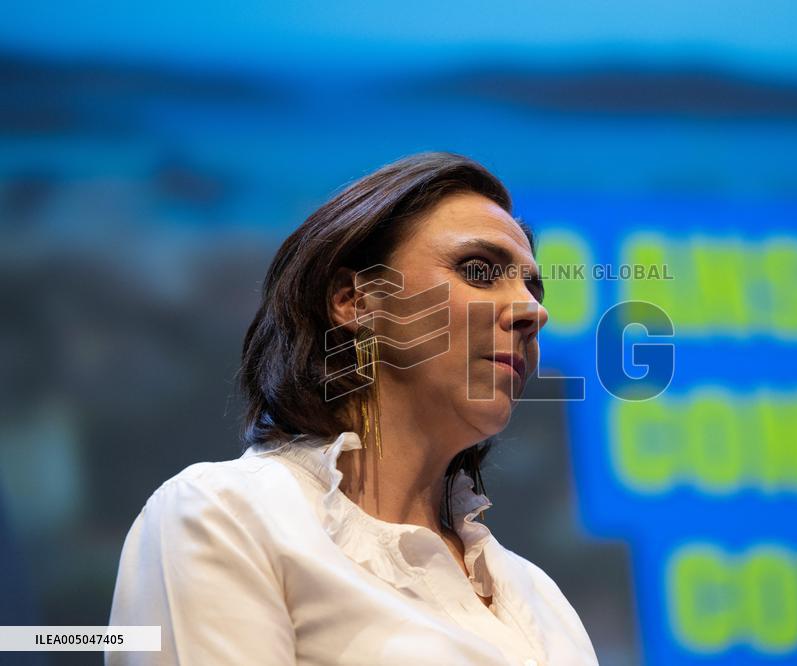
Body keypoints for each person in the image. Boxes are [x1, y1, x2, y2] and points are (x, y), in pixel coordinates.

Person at [106, 152, 600, 665]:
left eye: (532, 286)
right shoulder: (225, 517)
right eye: (478, 270)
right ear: (355, 301)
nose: (532, 311)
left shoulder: (542, 600)